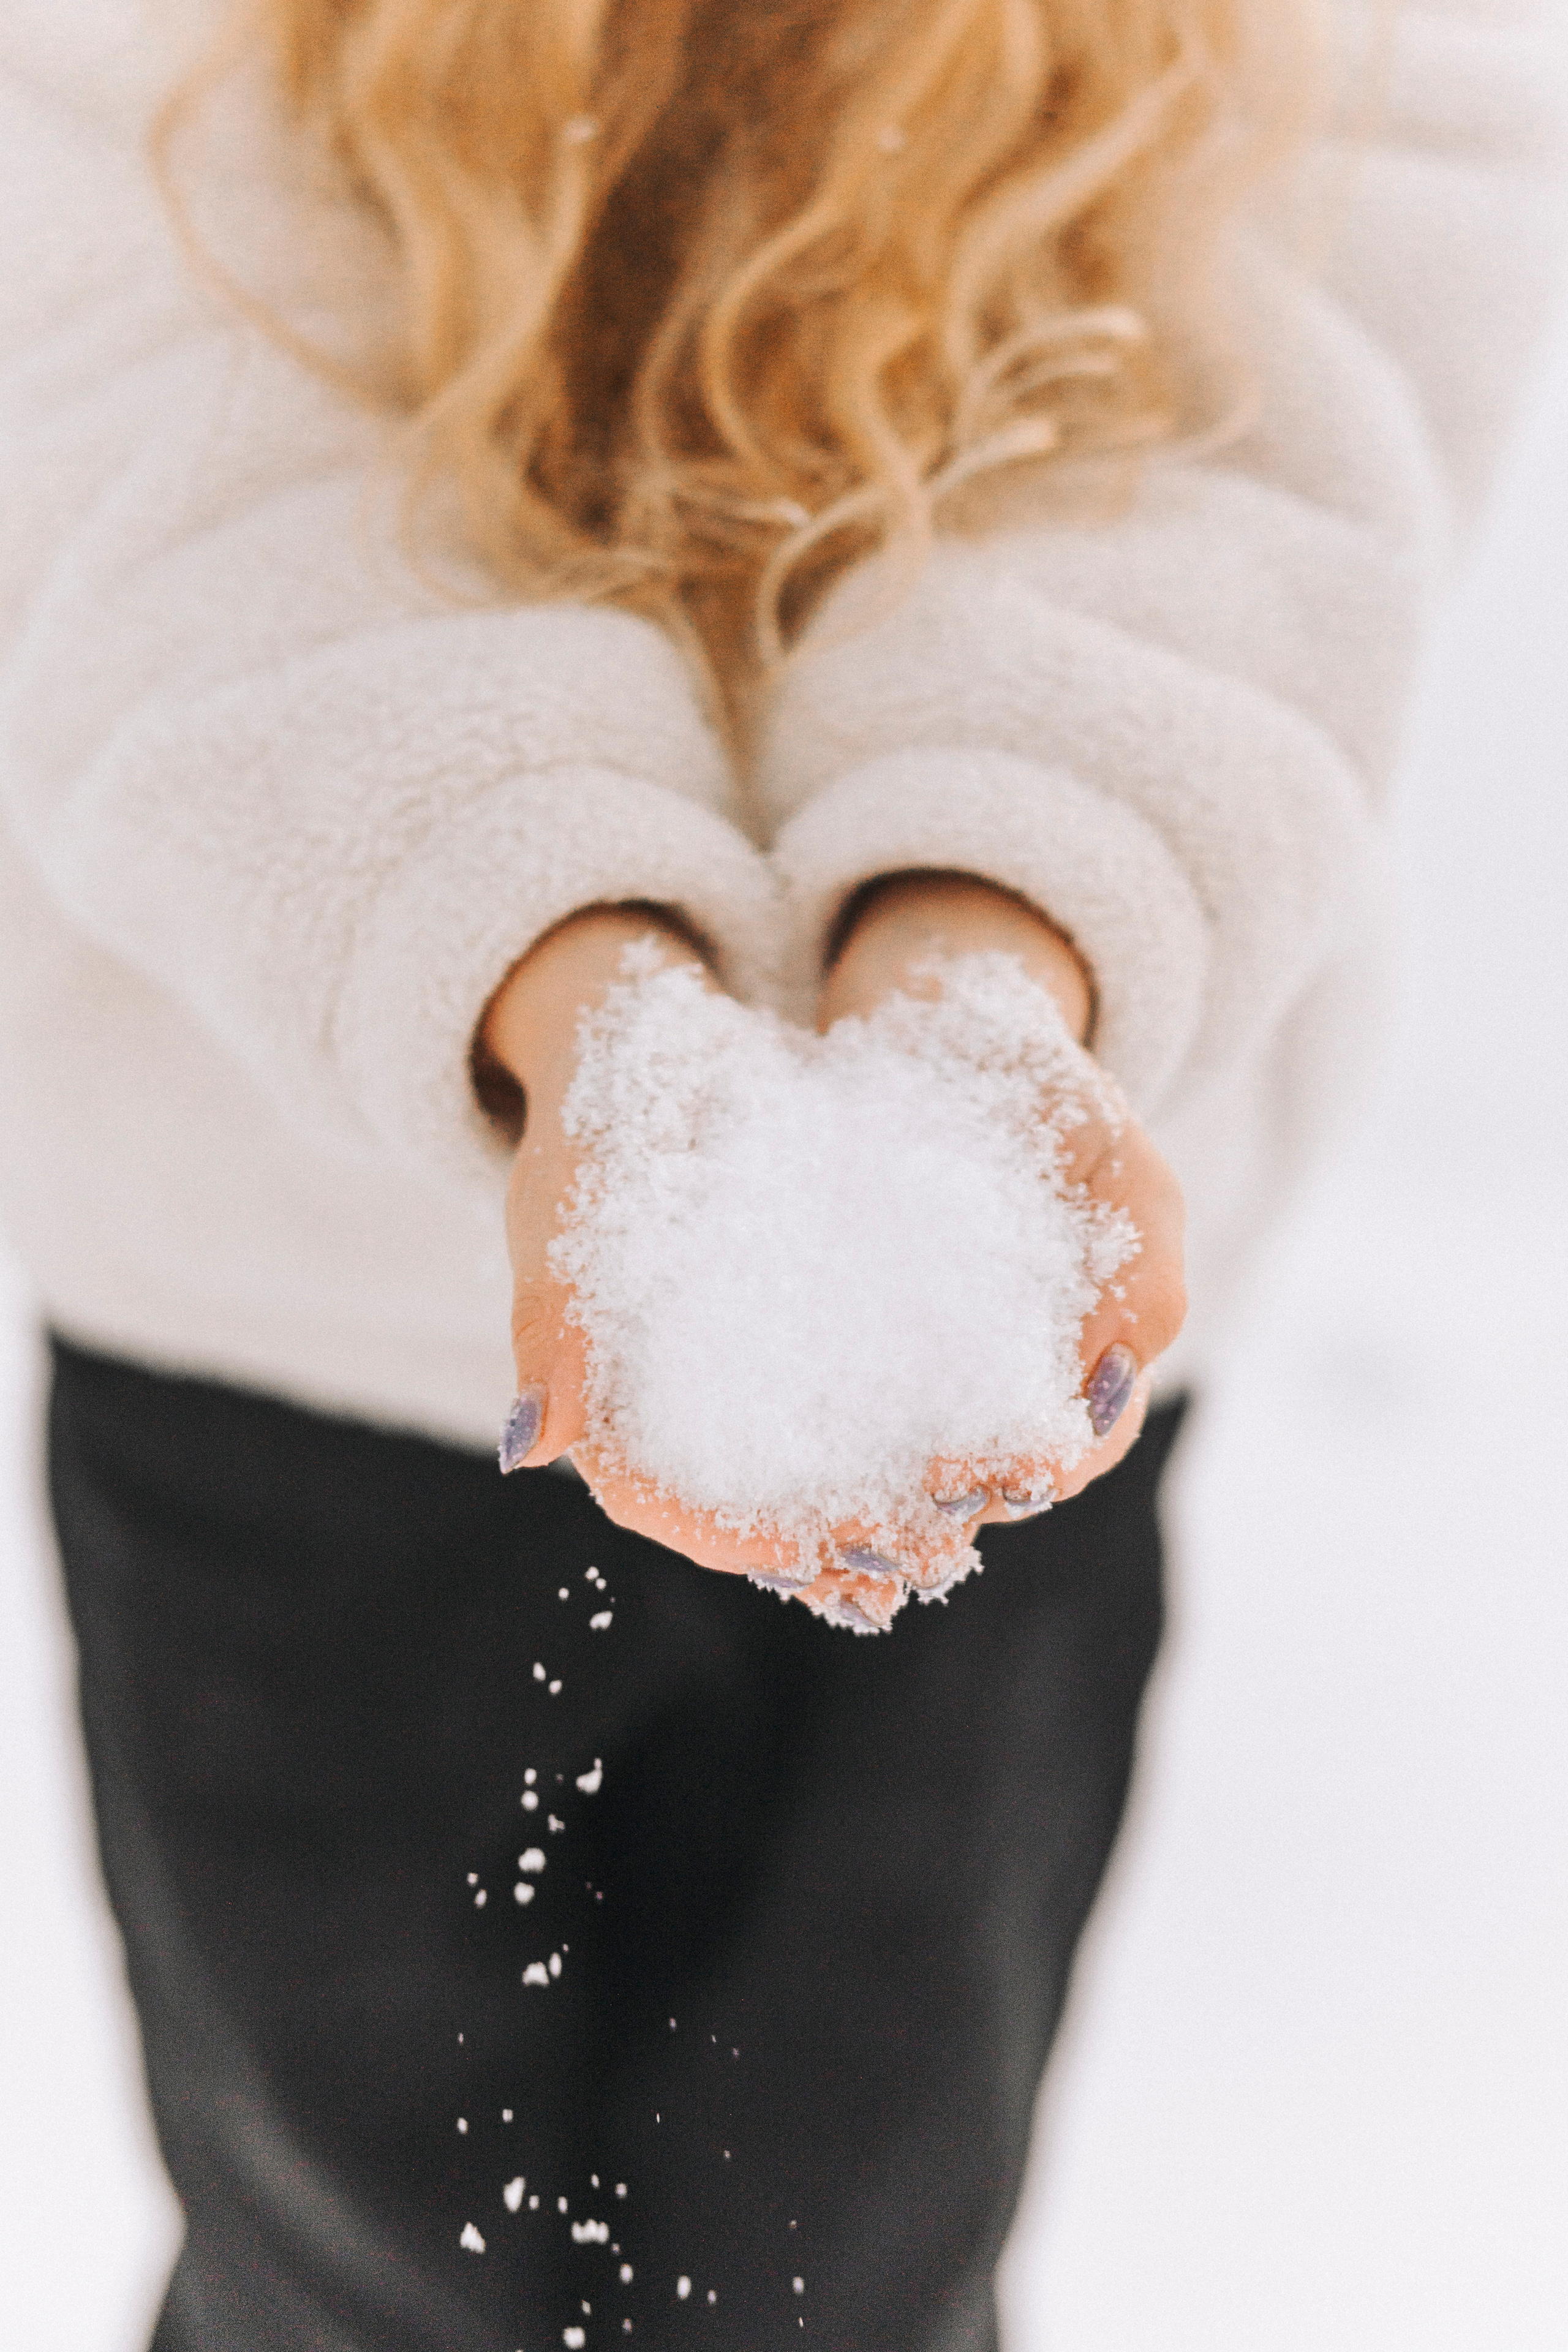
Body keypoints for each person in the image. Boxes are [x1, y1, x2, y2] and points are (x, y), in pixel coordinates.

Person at [0, 1, 1559, 2346]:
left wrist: (991, 925)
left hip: (1018, 1305)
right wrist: (552, 960)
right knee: (345, 2240)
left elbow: (1297, 363)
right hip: (270, 1304)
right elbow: (121, 393)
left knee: (850, 2236)